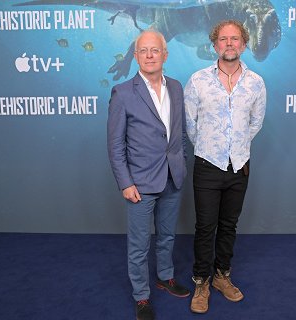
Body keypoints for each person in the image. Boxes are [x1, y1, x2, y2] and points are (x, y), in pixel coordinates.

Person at [184, 20, 267, 313]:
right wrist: (212, 148)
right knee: (205, 227)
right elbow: (191, 125)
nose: (229, 43)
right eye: (223, 39)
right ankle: (202, 281)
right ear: (214, 45)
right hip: (207, 164)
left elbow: (255, 123)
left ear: (243, 44)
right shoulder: (197, 81)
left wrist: (236, 147)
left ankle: (222, 275)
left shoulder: (256, 83)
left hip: (240, 166)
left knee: (229, 225)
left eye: (235, 39)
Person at [107, 30, 190, 320]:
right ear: (136, 55)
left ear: (165, 55)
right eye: (143, 51)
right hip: (139, 183)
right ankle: (142, 296)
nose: (150, 55)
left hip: (172, 177)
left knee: (167, 236)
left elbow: (179, 133)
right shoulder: (123, 92)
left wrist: (181, 163)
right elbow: (115, 144)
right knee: (139, 245)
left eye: (155, 50)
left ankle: (165, 276)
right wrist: (125, 182)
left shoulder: (177, 88)